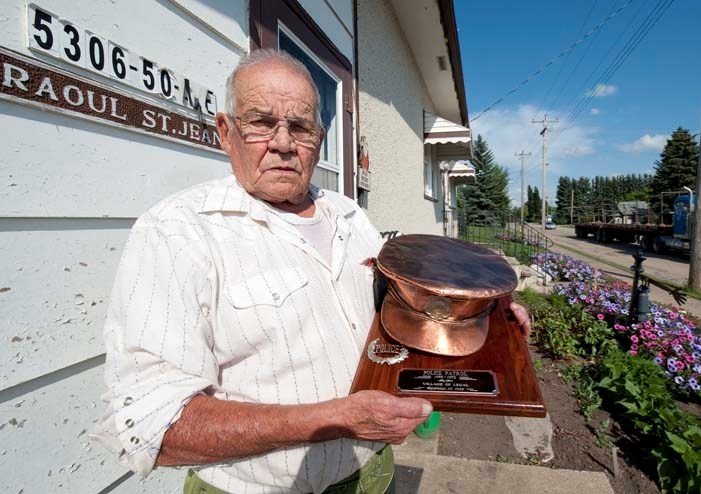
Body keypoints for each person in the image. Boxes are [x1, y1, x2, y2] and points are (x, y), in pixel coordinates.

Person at [91, 49, 531, 494]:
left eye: (299, 126)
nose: (283, 143)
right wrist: (338, 417)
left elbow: (402, 301)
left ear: (319, 138)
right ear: (226, 132)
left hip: (372, 473)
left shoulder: (347, 214)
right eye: (261, 122)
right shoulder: (178, 231)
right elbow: (158, 427)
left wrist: (483, 306)